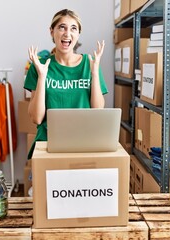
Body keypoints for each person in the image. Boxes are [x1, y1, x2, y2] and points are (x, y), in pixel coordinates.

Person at [24, 9, 109, 160]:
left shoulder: (90, 64)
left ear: (78, 35)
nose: (67, 33)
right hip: (48, 143)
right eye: (62, 27)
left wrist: (94, 73)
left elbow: (97, 111)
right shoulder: (40, 66)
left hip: (83, 143)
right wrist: (42, 76)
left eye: (73, 28)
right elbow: (36, 118)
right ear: (52, 32)